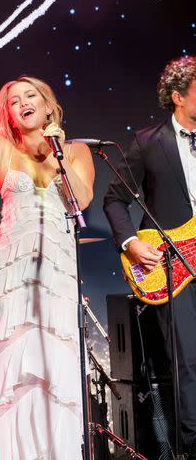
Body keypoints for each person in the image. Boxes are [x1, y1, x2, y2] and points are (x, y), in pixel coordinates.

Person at [0, 5, 95, 460]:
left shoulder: (74, 150)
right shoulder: (3, 155)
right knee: (15, 377)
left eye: (29, 95)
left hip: (57, 278)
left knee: (54, 376)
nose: (21, 103)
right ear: (10, 114)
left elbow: (82, 201)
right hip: (16, 280)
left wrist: (57, 154)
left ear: (48, 103)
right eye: (13, 100)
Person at [103, 55, 196, 458]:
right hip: (172, 264)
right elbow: (114, 199)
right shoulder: (148, 142)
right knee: (189, 362)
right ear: (179, 97)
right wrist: (131, 243)